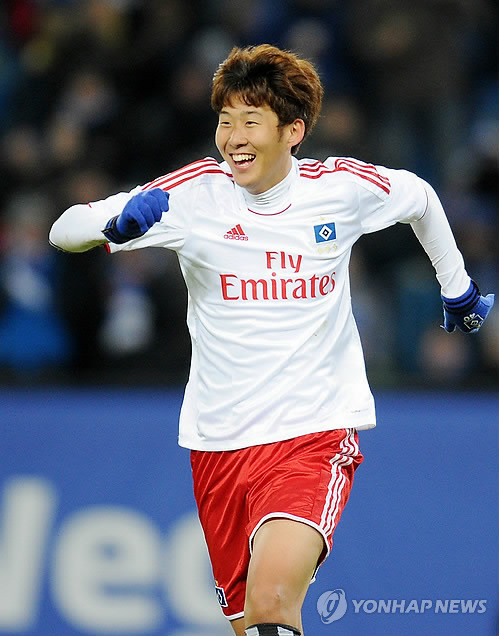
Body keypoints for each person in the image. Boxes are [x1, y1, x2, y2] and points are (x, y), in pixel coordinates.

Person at [49, 44, 494, 636]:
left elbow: (420, 198)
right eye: (225, 120)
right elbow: (62, 230)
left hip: (312, 435)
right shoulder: (192, 195)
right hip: (218, 446)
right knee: (253, 625)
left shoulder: (339, 188)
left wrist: (458, 288)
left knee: (272, 605)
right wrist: (114, 225)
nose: (233, 138)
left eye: (251, 121)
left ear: (293, 131)